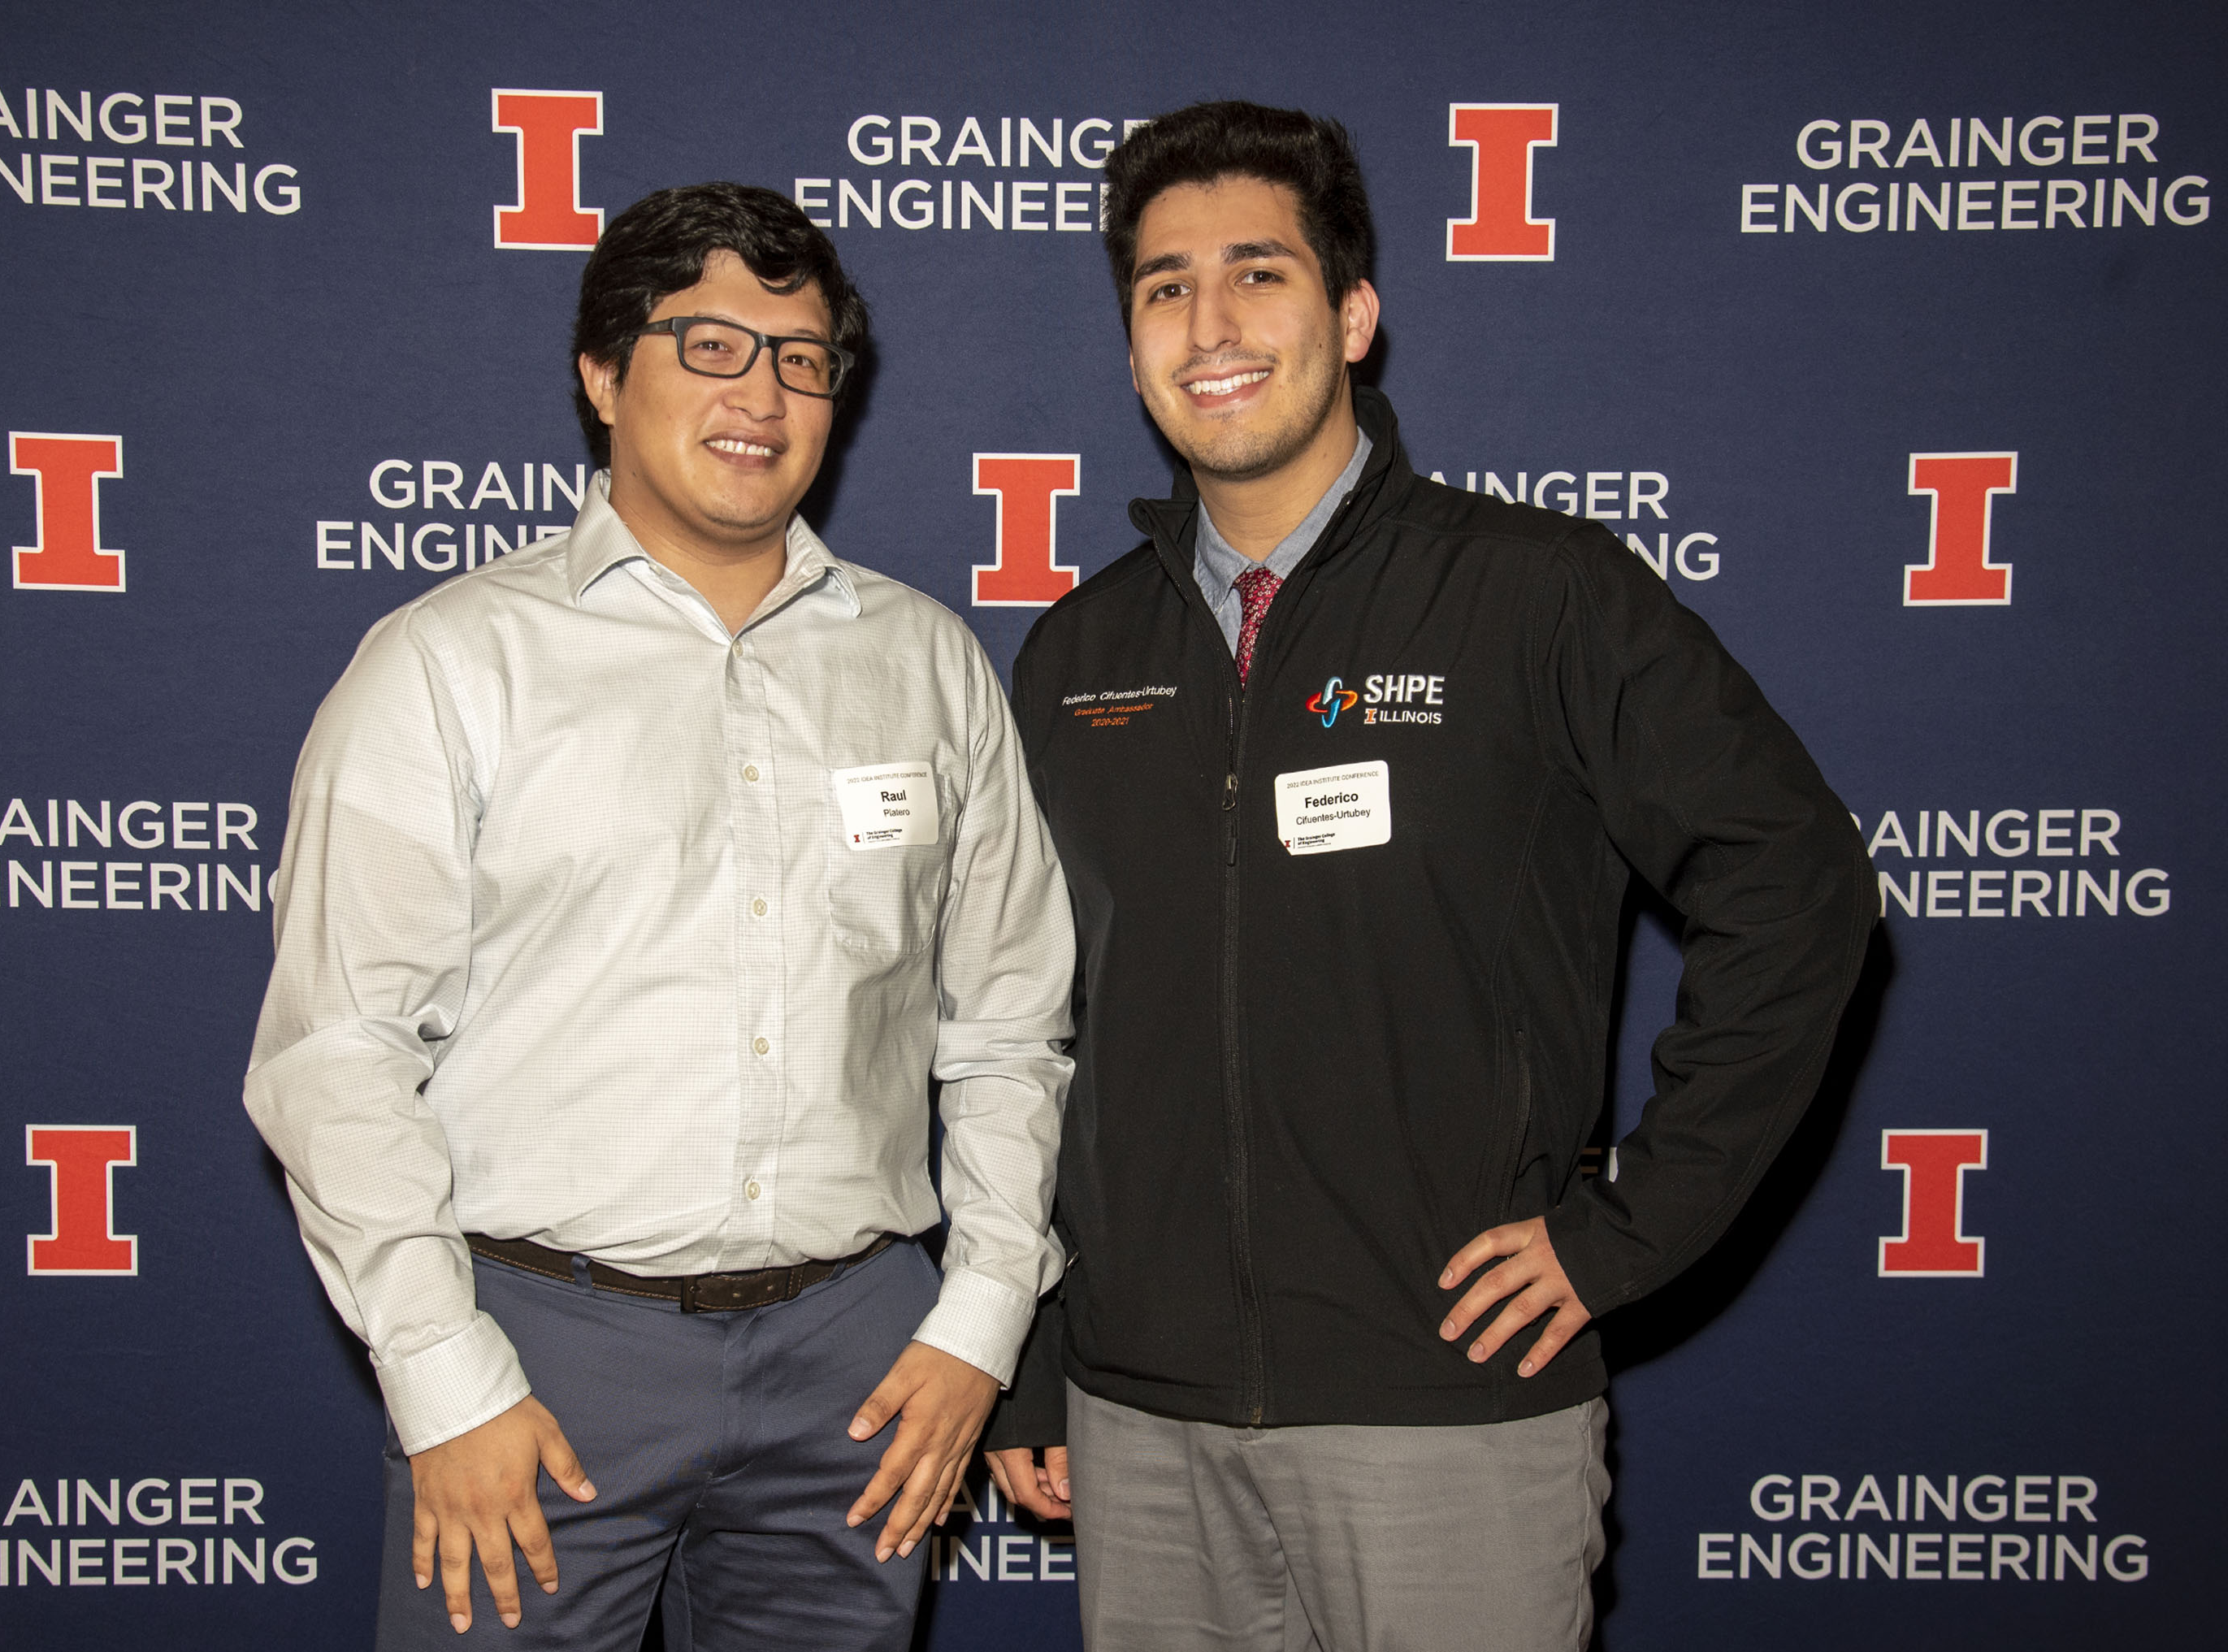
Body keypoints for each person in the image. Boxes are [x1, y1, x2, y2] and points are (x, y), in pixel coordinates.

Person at [982, 102, 1874, 1650]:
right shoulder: (1076, 655)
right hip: (1139, 1425)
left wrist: (1625, 1232)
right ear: (1131, 345)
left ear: (1353, 315)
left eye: (1259, 273)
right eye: (1163, 286)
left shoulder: (1538, 595)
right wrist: (1043, 1343)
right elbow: (1032, 1028)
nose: (1211, 324)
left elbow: (1797, 884)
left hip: (1450, 1415)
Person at [245, 181, 1076, 1650]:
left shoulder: (931, 666)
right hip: (540, 1358)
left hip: (861, 1369)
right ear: (601, 374)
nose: (760, 393)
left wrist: (979, 1319)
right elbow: (336, 1054)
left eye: (802, 356)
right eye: (708, 344)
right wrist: (446, 1374)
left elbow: (1009, 1029)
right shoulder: (448, 665)